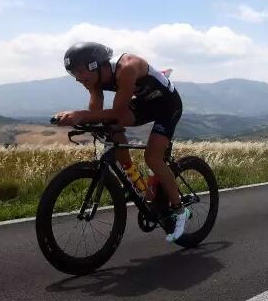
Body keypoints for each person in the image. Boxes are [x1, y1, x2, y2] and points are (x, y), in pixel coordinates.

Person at [53, 42, 188, 242]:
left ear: (94, 65)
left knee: (152, 158)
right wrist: (84, 120)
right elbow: (97, 113)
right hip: (145, 103)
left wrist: (80, 115)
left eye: (80, 71)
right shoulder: (94, 79)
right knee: (109, 124)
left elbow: (116, 112)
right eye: (73, 73)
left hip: (168, 105)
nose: (78, 78)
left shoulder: (126, 68)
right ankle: (132, 177)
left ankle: (179, 209)